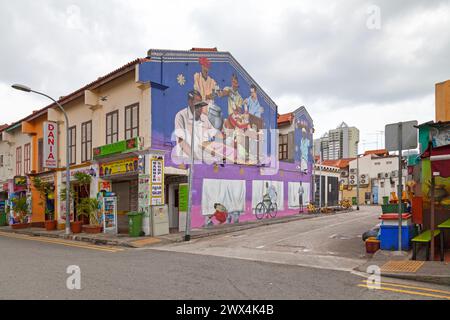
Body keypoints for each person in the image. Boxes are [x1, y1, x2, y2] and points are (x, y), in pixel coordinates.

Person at [174, 90, 217, 161]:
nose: (200, 108)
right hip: (186, 161)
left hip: (204, 161)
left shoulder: (205, 118)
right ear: (190, 102)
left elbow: (215, 134)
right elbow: (181, 141)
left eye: (201, 105)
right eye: (197, 104)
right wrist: (196, 157)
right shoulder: (181, 116)